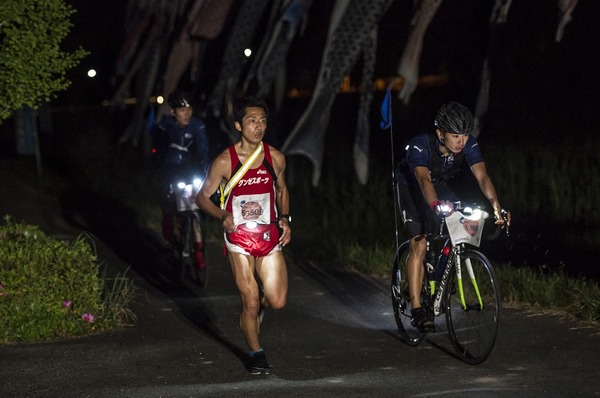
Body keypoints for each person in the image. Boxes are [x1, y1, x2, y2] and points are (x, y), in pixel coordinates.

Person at [394, 101, 510, 332]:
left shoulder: (468, 145)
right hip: (412, 185)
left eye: (465, 135)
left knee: (460, 220)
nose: (461, 141)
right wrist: (436, 206)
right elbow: (424, 181)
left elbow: (482, 177)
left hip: (438, 183)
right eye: (455, 136)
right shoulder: (420, 146)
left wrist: (497, 207)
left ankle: (436, 274)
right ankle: (417, 308)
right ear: (440, 133)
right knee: (420, 241)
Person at [195, 97, 291, 375]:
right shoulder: (225, 161)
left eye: (262, 121)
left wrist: (285, 219)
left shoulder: (276, 157)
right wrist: (223, 216)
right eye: (252, 121)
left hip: (269, 236)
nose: (258, 126)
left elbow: (283, 190)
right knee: (249, 299)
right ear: (238, 125)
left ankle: (257, 309)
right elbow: (202, 197)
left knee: (277, 301)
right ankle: (256, 352)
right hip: (239, 239)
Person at [151, 90, 210, 262]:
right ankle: (171, 235)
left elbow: (203, 151)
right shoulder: (165, 125)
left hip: (186, 167)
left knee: (194, 208)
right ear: (173, 112)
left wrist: (208, 173)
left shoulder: (197, 125)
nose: (187, 114)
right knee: (169, 206)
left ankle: (198, 248)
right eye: (182, 110)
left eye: (189, 109)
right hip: (169, 168)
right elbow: (159, 151)